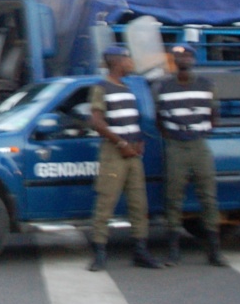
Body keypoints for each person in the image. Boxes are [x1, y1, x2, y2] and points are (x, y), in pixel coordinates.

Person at [152, 44, 229, 267]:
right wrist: (173, 135)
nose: (183, 59)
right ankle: (173, 251)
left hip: (199, 145)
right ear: (173, 60)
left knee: (209, 197)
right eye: (179, 55)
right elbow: (159, 119)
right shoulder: (163, 86)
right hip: (175, 146)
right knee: (173, 197)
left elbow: (215, 116)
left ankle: (214, 251)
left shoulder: (207, 85)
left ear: (193, 59)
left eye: (187, 55)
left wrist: (200, 132)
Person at [88, 46, 162, 271]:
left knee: (139, 204)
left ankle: (140, 250)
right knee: (106, 202)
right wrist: (121, 143)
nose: (131, 63)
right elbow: (97, 122)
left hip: (132, 154)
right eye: (128, 59)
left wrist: (138, 141)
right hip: (115, 153)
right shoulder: (101, 88)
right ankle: (99, 253)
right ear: (118, 61)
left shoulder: (127, 88)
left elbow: (129, 121)